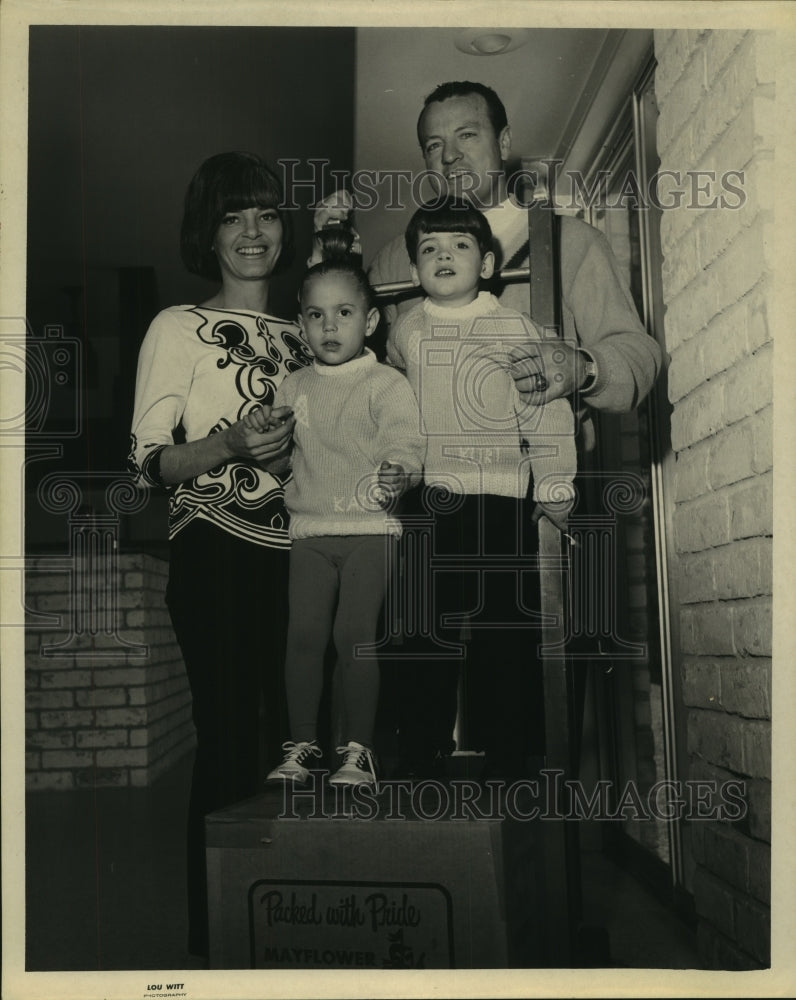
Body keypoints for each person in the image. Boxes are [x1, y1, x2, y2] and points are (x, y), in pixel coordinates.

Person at [315, 80, 662, 778]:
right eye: (432, 146)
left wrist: (579, 366)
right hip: (423, 506)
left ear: (504, 144)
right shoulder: (395, 262)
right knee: (412, 681)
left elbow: (638, 355)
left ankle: (526, 853)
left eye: (465, 136)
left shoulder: (570, 242)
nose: (448, 157)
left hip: (534, 506)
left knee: (529, 704)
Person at [128, 151, 310, 958]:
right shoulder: (176, 326)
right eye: (232, 216)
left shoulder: (316, 330)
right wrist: (233, 441)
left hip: (305, 554)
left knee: (306, 743)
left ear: (285, 225)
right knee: (232, 738)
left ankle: (300, 929)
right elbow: (149, 463)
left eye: (266, 213)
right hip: (216, 553)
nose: (251, 231)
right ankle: (220, 946)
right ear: (208, 232)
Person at [248, 256, 426, 788]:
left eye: (344, 312)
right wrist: (264, 432)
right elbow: (279, 454)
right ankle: (303, 745)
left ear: (369, 322)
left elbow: (406, 442)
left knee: (354, 634)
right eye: (316, 315)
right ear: (301, 324)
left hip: (370, 530)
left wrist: (400, 470)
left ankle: (359, 752)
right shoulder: (293, 384)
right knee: (302, 635)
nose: (330, 327)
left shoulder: (385, 383)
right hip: (310, 532)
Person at [389, 196, 577, 531]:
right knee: (426, 583)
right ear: (415, 272)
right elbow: (394, 386)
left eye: (460, 244)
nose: (444, 255)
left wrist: (554, 484)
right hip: (425, 492)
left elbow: (546, 410)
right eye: (429, 249)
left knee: (501, 582)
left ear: (486, 265)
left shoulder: (513, 328)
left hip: (499, 488)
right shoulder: (406, 328)